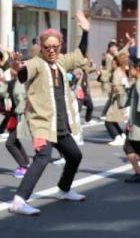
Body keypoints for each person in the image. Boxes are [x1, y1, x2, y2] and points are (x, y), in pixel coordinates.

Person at [7, 11, 92, 216]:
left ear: (59, 47)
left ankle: (64, 189)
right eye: (47, 47)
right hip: (42, 122)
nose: (52, 51)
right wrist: (19, 67)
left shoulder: (61, 62)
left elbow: (78, 55)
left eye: (55, 47)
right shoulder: (37, 63)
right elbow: (24, 70)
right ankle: (19, 200)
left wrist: (86, 32)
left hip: (60, 123)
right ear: (41, 48)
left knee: (75, 155)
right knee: (43, 158)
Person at [104, 51, 131, 145]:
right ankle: (121, 135)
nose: (111, 64)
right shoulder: (123, 71)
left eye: (112, 62)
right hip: (123, 99)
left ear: (116, 62)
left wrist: (112, 96)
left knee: (108, 120)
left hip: (117, 100)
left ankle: (117, 137)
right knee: (113, 120)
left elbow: (115, 88)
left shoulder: (116, 72)